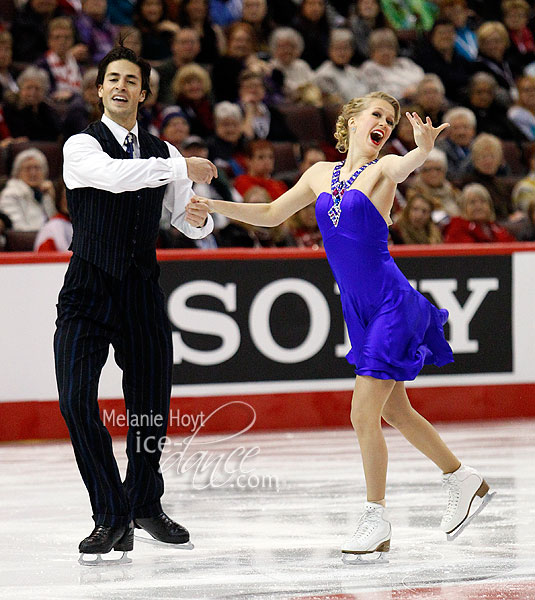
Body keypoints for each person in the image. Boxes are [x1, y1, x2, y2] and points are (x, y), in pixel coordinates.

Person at [188, 92, 493, 560]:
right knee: (396, 412)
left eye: (390, 121)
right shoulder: (318, 175)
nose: (385, 124)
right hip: (362, 311)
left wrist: (423, 149)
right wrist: (213, 205)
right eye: (377, 115)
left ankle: (376, 517)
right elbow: (272, 215)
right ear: (351, 119)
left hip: (392, 305)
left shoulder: (381, 170)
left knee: (361, 414)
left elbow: (402, 167)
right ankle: (462, 478)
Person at [54, 43, 217, 562]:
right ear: (100, 89)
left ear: (144, 93)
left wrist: (198, 216)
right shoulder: (81, 145)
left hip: (142, 290)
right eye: (113, 79)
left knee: (150, 408)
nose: (122, 86)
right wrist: (178, 166)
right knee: (77, 400)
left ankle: (144, 502)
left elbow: (187, 222)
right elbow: (113, 177)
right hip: (88, 287)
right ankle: (111, 514)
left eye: (132, 80)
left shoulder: (165, 154)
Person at [0, 148, 56, 231]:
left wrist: (53, 196)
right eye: (27, 168)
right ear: (17, 173)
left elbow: (57, 223)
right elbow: (18, 229)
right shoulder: (10, 194)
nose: (33, 173)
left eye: (37, 168)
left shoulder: (45, 192)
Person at [444, 183, 517, 242]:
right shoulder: (457, 228)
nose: (478, 206)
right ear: (463, 207)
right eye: (472, 202)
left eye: (483, 201)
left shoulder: (496, 228)